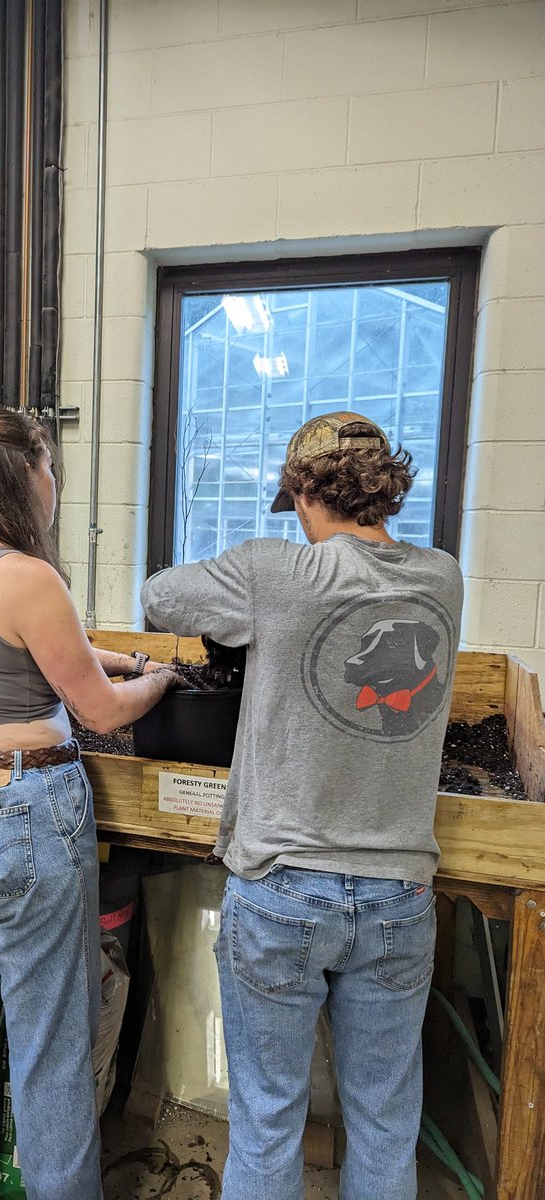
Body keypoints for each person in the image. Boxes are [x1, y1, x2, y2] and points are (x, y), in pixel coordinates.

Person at [141, 413, 464, 1200]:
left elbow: (159, 596)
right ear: (386, 487)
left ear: (301, 490)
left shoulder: (275, 572)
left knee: (267, 1118)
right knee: (386, 1121)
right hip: (399, 895)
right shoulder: (443, 576)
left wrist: (251, 629)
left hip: (284, 890)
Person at [0, 409, 181, 1200]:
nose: (55, 483)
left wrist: (118, 653)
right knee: (52, 1048)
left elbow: (37, 647)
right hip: (19, 815)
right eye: (50, 466)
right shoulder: (29, 575)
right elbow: (99, 710)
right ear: (24, 477)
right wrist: (158, 679)